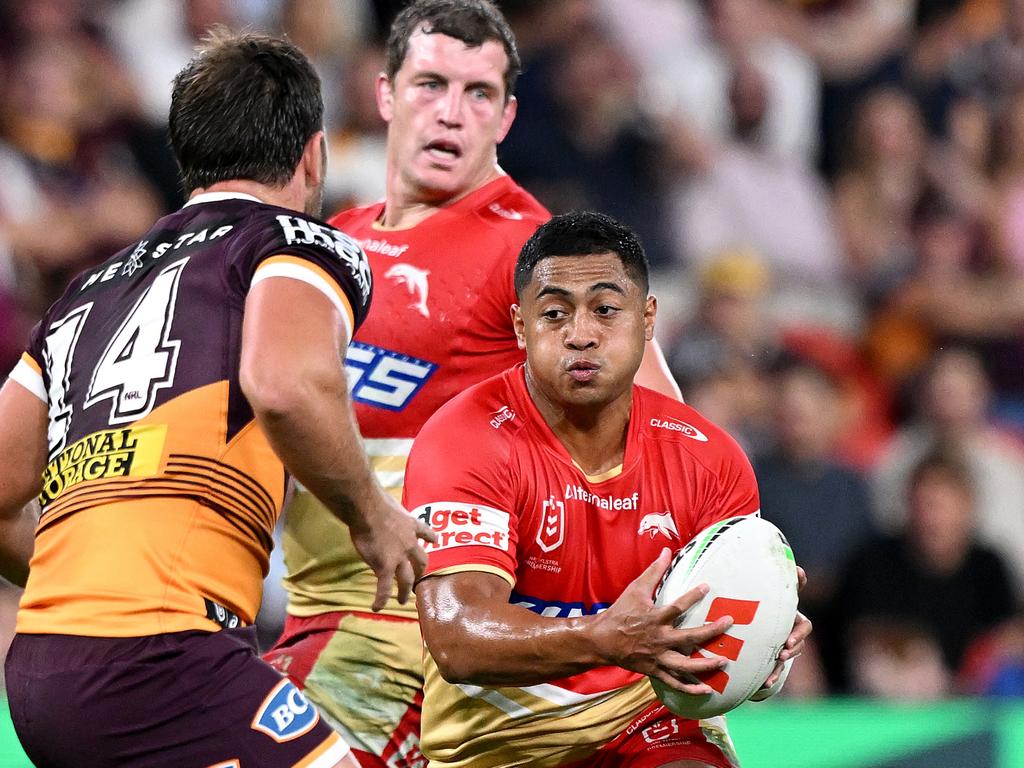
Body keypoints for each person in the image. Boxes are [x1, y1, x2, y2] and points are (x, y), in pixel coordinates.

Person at [263, 3, 681, 766]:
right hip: (315, 624)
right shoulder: (331, 244)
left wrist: (734, 576)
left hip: (412, 646)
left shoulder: (530, 248)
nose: (451, 114)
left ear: (508, 115)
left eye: (478, 93)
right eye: (430, 85)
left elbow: (663, 432)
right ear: (384, 93)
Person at [0, 29, 431, 768]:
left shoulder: (82, 295)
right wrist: (373, 517)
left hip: (41, 674)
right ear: (313, 155)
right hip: (166, 653)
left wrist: (87, 595)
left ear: (187, 157)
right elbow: (287, 384)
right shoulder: (294, 241)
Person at [406, 211, 811, 767]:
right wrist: (606, 638)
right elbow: (456, 637)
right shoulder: (463, 441)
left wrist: (768, 641)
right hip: (494, 751)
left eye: (605, 309)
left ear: (647, 319)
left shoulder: (711, 459)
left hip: (649, 727)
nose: (580, 334)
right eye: (554, 314)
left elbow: (726, 667)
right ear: (520, 327)